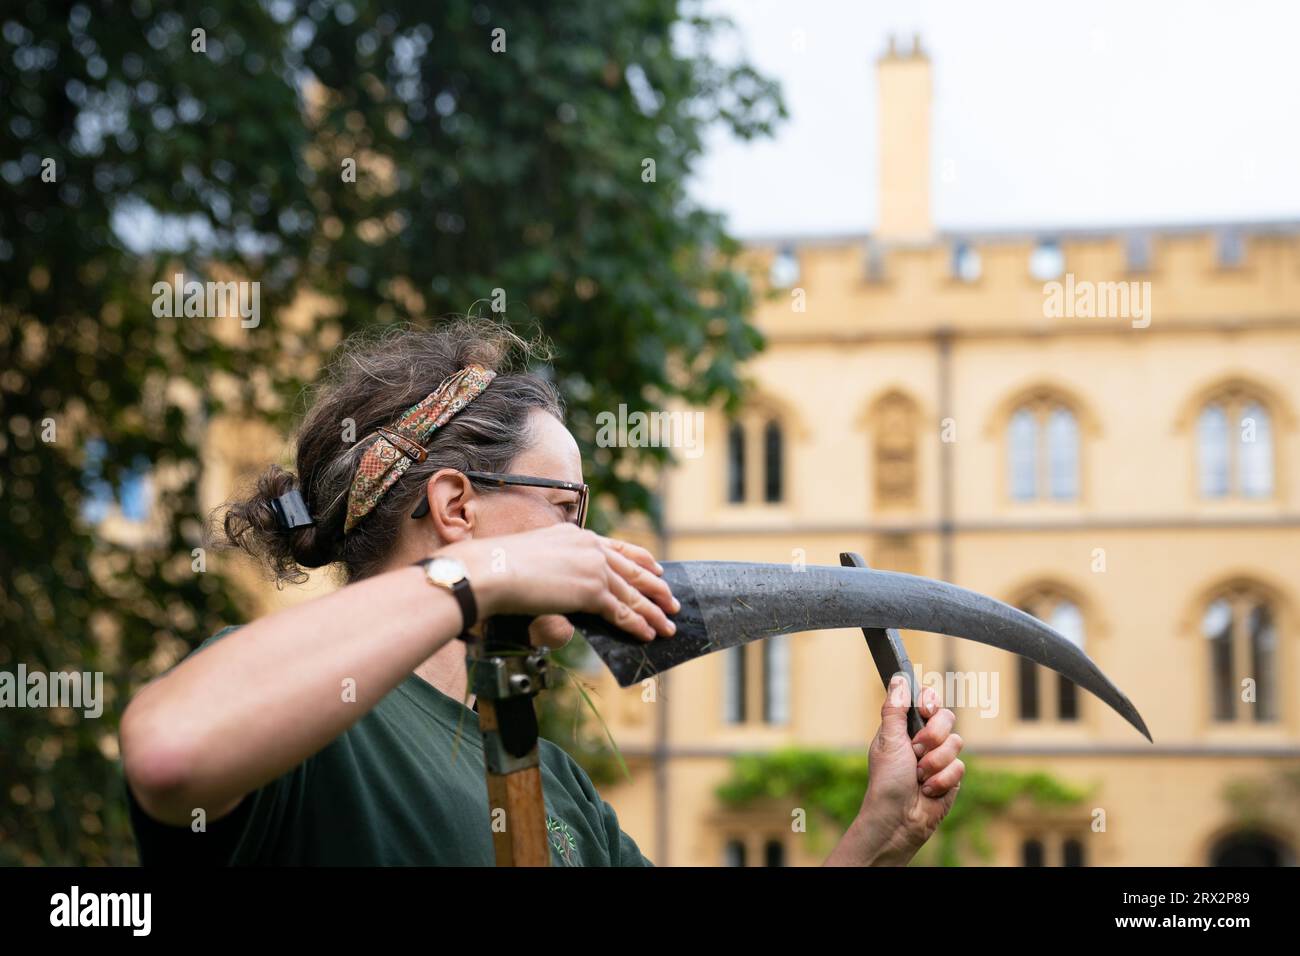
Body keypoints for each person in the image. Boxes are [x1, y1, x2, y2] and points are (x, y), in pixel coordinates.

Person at [120, 318, 964, 866]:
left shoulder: (558, 787)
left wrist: (873, 842)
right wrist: (487, 574)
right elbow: (167, 752)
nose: (588, 541)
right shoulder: (306, 712)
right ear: (456, 507)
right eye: (566, 510)